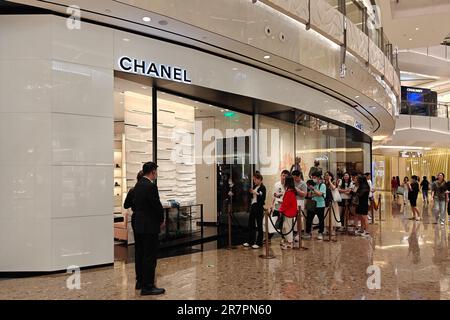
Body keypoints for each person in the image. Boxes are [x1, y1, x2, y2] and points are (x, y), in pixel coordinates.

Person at [133, 162, 165, 296]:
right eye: (156, 172)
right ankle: (148, 286)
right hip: (149, 225)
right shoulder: (151, 186)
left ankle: (140, 281)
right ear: (152, 172)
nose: (156, 174)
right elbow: (156, 205)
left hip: (138, 224)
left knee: (140, 254)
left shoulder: (138, 185)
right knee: (150, 256)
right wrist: (161, 219)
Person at [123, 170, 144, 287]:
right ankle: (144, 277)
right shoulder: (148, 189)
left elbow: (126, 205)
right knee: (145, 250)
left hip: (136, 219)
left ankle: (139, 278)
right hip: (145, 220)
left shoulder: (132, 191)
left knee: (138, 249)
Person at [243, 172, 266, 249]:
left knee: (259, 225)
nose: (254, 181)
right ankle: (250, 241)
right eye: (254, 179)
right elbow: (252, 196)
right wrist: (251, 192)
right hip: (253, 206)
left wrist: (255, 192)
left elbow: (262, 197)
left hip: (259, 207)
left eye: (255, 179)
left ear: (259, 179)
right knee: (251, 224)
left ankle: (259, 242)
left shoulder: (263, 187)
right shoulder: (255, 186)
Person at [267, 170, 290, 243]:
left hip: (285, 207)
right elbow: (274, 195)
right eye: (283, 175)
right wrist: (272, 205)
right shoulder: (276, 184)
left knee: (283, 223)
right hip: (277, 206)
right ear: (281, 176)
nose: (284, 177)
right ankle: (268, 238)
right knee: (273, 222)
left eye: (286, 176)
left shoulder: (289, 186)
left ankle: (284, 238)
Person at [303, 172, 327, 240]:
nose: (313, 179)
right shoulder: (313, 185)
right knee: (309, 219)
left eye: (314, 177)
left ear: (318, 177)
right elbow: (310, 195)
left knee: (321, 219)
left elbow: (320, 194)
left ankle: (320, 233)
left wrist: (314, 190)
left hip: (320, 205)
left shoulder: (322, 185)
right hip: (312, 204)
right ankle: (308, 233)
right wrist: (313, 192)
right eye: (312, 178)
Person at [279, 176, 298, 250]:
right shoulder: (291, 191)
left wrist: (280, 210)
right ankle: (288, 242)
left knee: (288, 228)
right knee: (287, 227)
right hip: (290, 211)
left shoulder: (289, 192)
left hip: (288, 212)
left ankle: (290, 243)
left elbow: (285, 204)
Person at [292, 170, 307, 242]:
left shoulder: (303, 184)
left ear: (299, 176)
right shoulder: (292, 183)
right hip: (293, 201)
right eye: (293, 178)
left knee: (299, 219)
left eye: (295, 177)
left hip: (300, 202)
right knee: (292, 218)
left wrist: (296, 189)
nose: (294, 179)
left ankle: (299, 233)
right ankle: (292, 233)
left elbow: (304, 194)